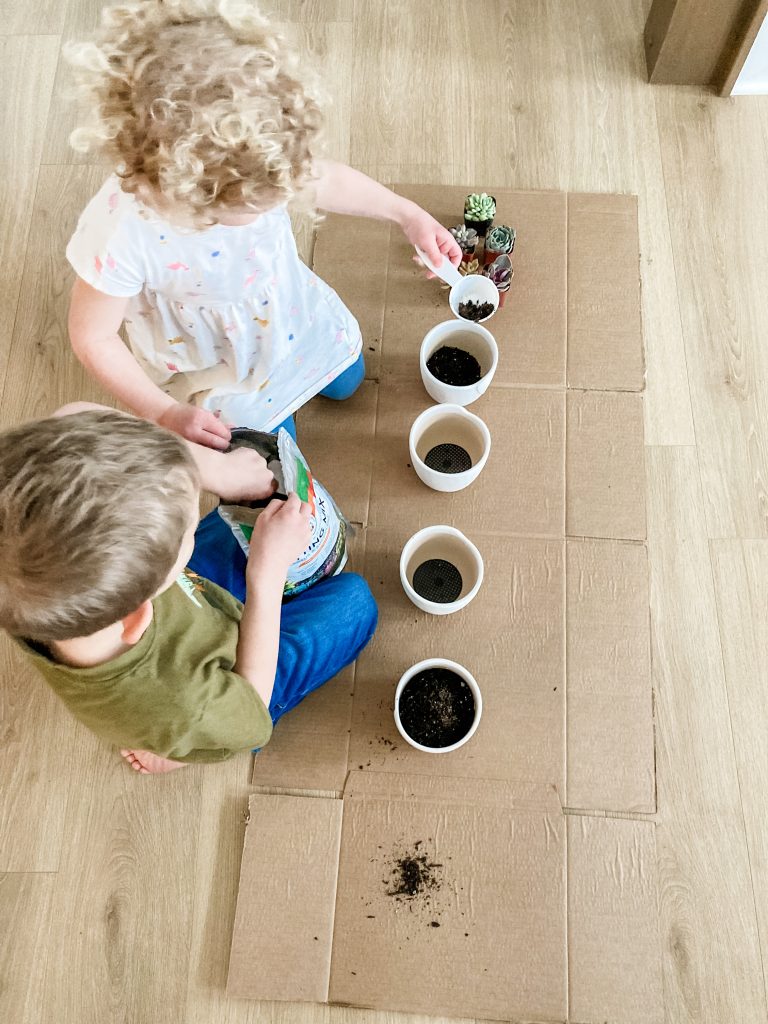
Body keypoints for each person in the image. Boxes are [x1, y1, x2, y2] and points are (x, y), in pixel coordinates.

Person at [64, 0, 461, 449]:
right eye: (256, 204)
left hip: (288, 311)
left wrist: (405, 213)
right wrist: (164, 411)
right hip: (211, 355)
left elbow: (324, 180)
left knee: (347, 379)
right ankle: (270, 414)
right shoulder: (122, 232)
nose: (283, 199)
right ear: (191, 194)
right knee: (268, 442)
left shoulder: (263, 153)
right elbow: (92, 337)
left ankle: (306, 377)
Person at [0, 405, 378, 774]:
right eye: (184, 536)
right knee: (355, 602)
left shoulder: (28, 581)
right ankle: (181, 750)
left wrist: (208, 464)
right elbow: (252, 711)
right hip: (237, 687)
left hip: (196, 598)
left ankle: (178, 740)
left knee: (264, 450)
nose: (198, 512)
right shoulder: (180, 701)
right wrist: (268, 573)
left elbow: (73, 413)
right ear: (139, 613)